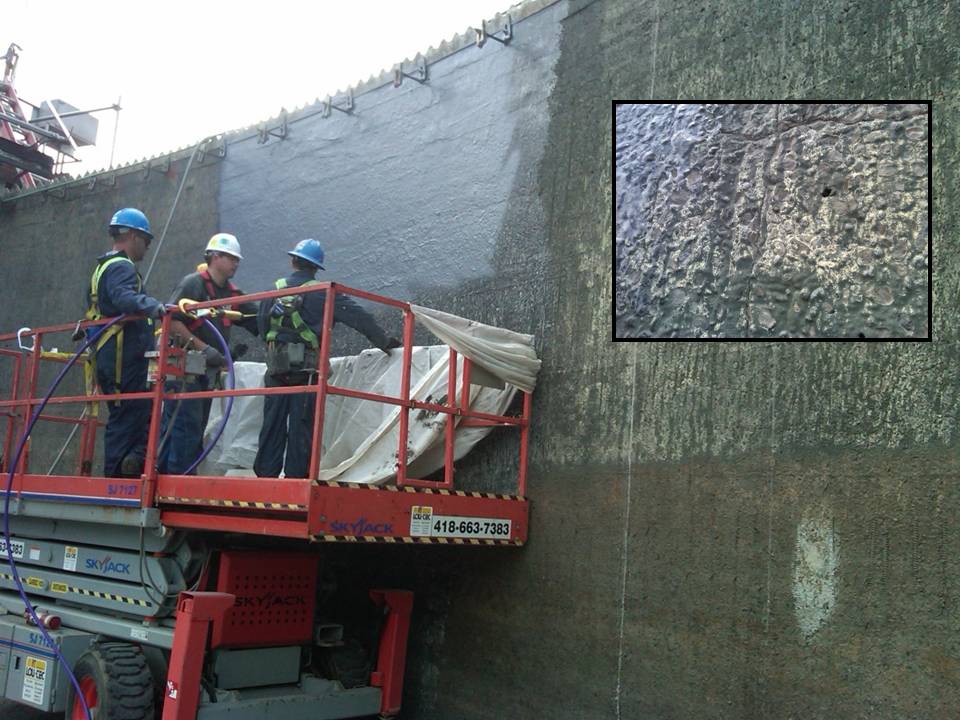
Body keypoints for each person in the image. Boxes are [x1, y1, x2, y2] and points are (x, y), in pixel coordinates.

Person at [253, 239, 399, 478]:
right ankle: (296, 480)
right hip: (307, 374)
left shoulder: (272, 292)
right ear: (316, 268)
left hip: (276, 370)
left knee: (271, 425)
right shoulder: (325, 293)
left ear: (293, 262)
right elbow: (360, 318)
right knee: (301, 428)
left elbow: (261, 328)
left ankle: (265, 479)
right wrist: (384, 342)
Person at [157, 233, 259, 474]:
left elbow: (257, 319)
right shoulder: (193, 285)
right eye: (231, 258)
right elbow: (172, 320)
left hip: (204, 371)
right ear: (215, 256)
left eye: (237, 259)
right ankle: (177, 482)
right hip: (184, 368)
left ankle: (166, 478)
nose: (236, 263)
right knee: (185, 428)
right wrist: (205, 348)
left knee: (187, 427)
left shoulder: (232, 294)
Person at [84, 208, 165, 478]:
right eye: (146, 240)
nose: (147, 247)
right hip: (121, 357)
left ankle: (131, 466)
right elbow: (123, 297)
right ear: (132, 236)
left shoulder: (105, 266)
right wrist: (155, 307)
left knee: (134, 411)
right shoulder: (122, 266)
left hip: (112, 355)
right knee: (128, 413)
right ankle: (116, 482)